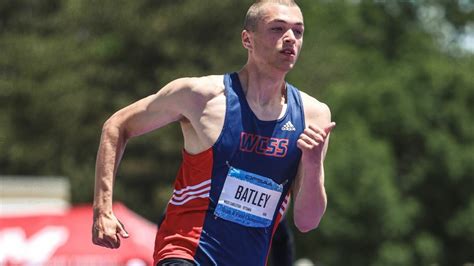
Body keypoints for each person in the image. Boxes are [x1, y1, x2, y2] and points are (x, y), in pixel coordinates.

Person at [92, 0, 335, 265]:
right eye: (277, 29)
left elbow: (307, 221)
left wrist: (313, 163)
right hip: (185, 252)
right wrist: (103, 209)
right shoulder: (200, 96)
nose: (290, 39)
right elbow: (117, 125)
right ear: (247, 39)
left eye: (298, 31)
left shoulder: (313, 115)